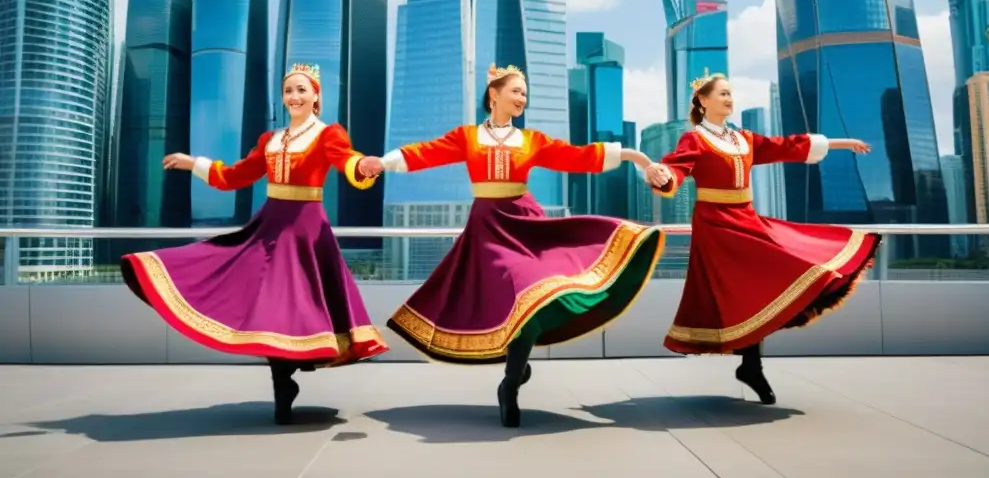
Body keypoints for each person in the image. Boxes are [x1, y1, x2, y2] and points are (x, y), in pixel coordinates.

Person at [358, 63, 665, 428]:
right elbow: (426, 152)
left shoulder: (532, 141)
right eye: (516, 91)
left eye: (524, 92)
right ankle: (515, 375)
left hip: (526, 225)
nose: (522, 98)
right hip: (488, 229)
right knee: (514, 293)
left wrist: (637, 158)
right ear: (494, 94)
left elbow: (578, 156)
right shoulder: (467, 137)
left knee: (531, 294)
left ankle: (510, 382)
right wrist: (383, 162)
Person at [120, 62, 390, 425]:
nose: (294, 96)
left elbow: (347, 162)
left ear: (316, 98)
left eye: (301, 90)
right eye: (288, 91)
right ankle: (283, 383)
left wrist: (364, 167)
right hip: (269, 228)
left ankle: (286, 380)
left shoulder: (329, 134)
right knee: (267, 307)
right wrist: (193, 163)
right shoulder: (270, 140)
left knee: (295, 308)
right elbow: (236, 176)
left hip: (306, 231)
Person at [643, 71, 879, 405]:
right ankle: (752, 366)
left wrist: (842, 143)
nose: (728, 99)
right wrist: (660, 173)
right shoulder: (694, 140)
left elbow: (786, 146)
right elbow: (675, 171)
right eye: (722, 94)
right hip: (717, 228)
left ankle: (751, 366)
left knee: (768, 282)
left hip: (747, 220)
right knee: (743, 292)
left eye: (729, 94)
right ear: (703, 101)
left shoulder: (744, 139)